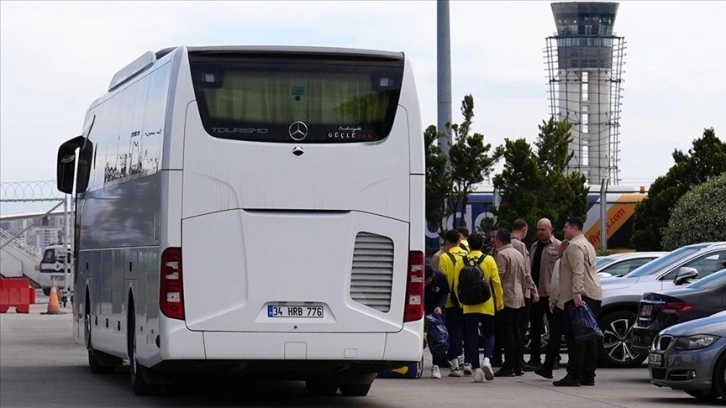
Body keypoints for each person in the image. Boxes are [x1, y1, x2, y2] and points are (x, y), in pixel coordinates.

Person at [553, 217, 602, 387]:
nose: (563, 230)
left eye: (566, 227)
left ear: (574, 228)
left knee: (576, 338)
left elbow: (578, 271)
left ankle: (573, 375)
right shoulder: (587, 244)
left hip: (579, 297)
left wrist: (576, 295)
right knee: (589, 337)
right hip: (593, 294)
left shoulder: (574, 246)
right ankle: (588, 375)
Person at [456, 232, 504, 382]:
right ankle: (487, 360)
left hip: (469, 306)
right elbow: (496, 282)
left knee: (471, 337)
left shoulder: (461, 261)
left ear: (468, 245)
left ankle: (477, 370)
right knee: (490, 334)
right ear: (482, 245)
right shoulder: (488, 259)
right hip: (486, 303)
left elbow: (457, 285)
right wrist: (499, 302)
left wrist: (461, 302)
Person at [492, 229, 528, 377]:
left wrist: (495, 298)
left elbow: (498, 277)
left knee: (507, 333)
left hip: (506, 297)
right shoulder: (518, 253)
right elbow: (526, 274)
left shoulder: (502, 254)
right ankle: (518, 365)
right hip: (519, 296)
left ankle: (509, 366)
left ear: (499, 241)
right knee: (516, 331)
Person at [526, 218, 561, 368]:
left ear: (550, 229)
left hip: (550, 294)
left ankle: (554, 358)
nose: (540, 232)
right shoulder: (534, 246)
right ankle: (535, 358)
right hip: (536, 294)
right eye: (538, 230)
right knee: (535, 327)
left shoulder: (558, 246)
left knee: (554, 328)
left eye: (543, 229)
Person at [535, 239, 568, 380]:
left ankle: (549, 365)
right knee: (556, 335)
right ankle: (547, 365)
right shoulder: (534, 246)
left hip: (558, 301)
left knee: (556, 334)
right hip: (551, 298)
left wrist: (553, 302)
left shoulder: (561, 263)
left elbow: (555, 284)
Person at [436, 230, 467, 377]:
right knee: (466, 331)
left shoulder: (444, 257)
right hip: (467, 300)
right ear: (459, 241)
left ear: (447, 242)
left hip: (450, 301)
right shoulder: (467, 254)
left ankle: (455, 366)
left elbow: (443, 279)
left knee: (453, 332)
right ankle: (467, 362)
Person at [511, 219, 539, 371]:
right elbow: (525, 270)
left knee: (511, 329)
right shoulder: (520, 246)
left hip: (509, 294)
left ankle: (512, 361)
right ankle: (519, 361)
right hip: (522, 294)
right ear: (525, 229)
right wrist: (533, 290)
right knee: (520, 329)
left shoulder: (504, 244)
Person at [425, 264, 449, 379]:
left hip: (436, 310)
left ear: (432, 276)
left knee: (438, 338)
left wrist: (440, 306)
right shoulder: (417, 279)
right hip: (422, 309)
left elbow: (445, 293)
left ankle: (436, 365)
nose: (425, 284)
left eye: (427, 282)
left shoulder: (440, 277)